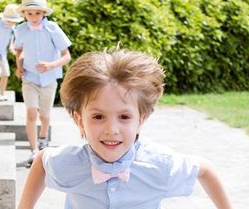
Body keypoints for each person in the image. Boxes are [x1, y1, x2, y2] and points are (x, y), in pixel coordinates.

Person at [17, 50, 233, 209]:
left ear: (141, 118)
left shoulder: (159, 165)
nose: (112, 129)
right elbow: (42, 161)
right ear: (79, 119)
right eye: (98, 116)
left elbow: (204, 169)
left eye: (124, 117)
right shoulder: (68, 164)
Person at [14, 0, 71, 166]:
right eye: (29, 13)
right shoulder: (20, 29)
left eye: (37, 13)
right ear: (24, 14)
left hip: (48, 80)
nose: (33, 16)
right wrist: (19, 67)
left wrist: (50, 65)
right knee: (31, 113)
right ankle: (33, 151)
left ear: (44, 13)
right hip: (29, 79)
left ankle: (43, 137)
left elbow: (66, 55)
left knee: (44, 116)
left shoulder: (53, 29)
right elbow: (19, 51)